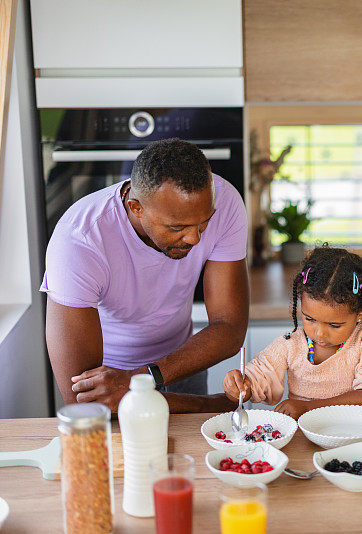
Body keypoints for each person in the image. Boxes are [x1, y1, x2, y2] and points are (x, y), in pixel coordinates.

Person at [42, 138, 248, 413]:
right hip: (110, 380)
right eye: (177, 227)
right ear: (135, 207)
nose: (195, 238)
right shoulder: (80, 239)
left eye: (204, 222)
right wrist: (207, 405)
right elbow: (83, 398)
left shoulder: (226, 202)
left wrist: (142, 379)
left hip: (184, 365)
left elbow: (229, 328)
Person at [223, 246, 362, 419]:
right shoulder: (290, 344)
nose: (319, 333)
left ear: (359, 314)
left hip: (352, 432)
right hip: (303, 437)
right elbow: (257, 381)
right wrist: (240, 387)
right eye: (310, 319)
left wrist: (308, 407)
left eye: (334, 325)